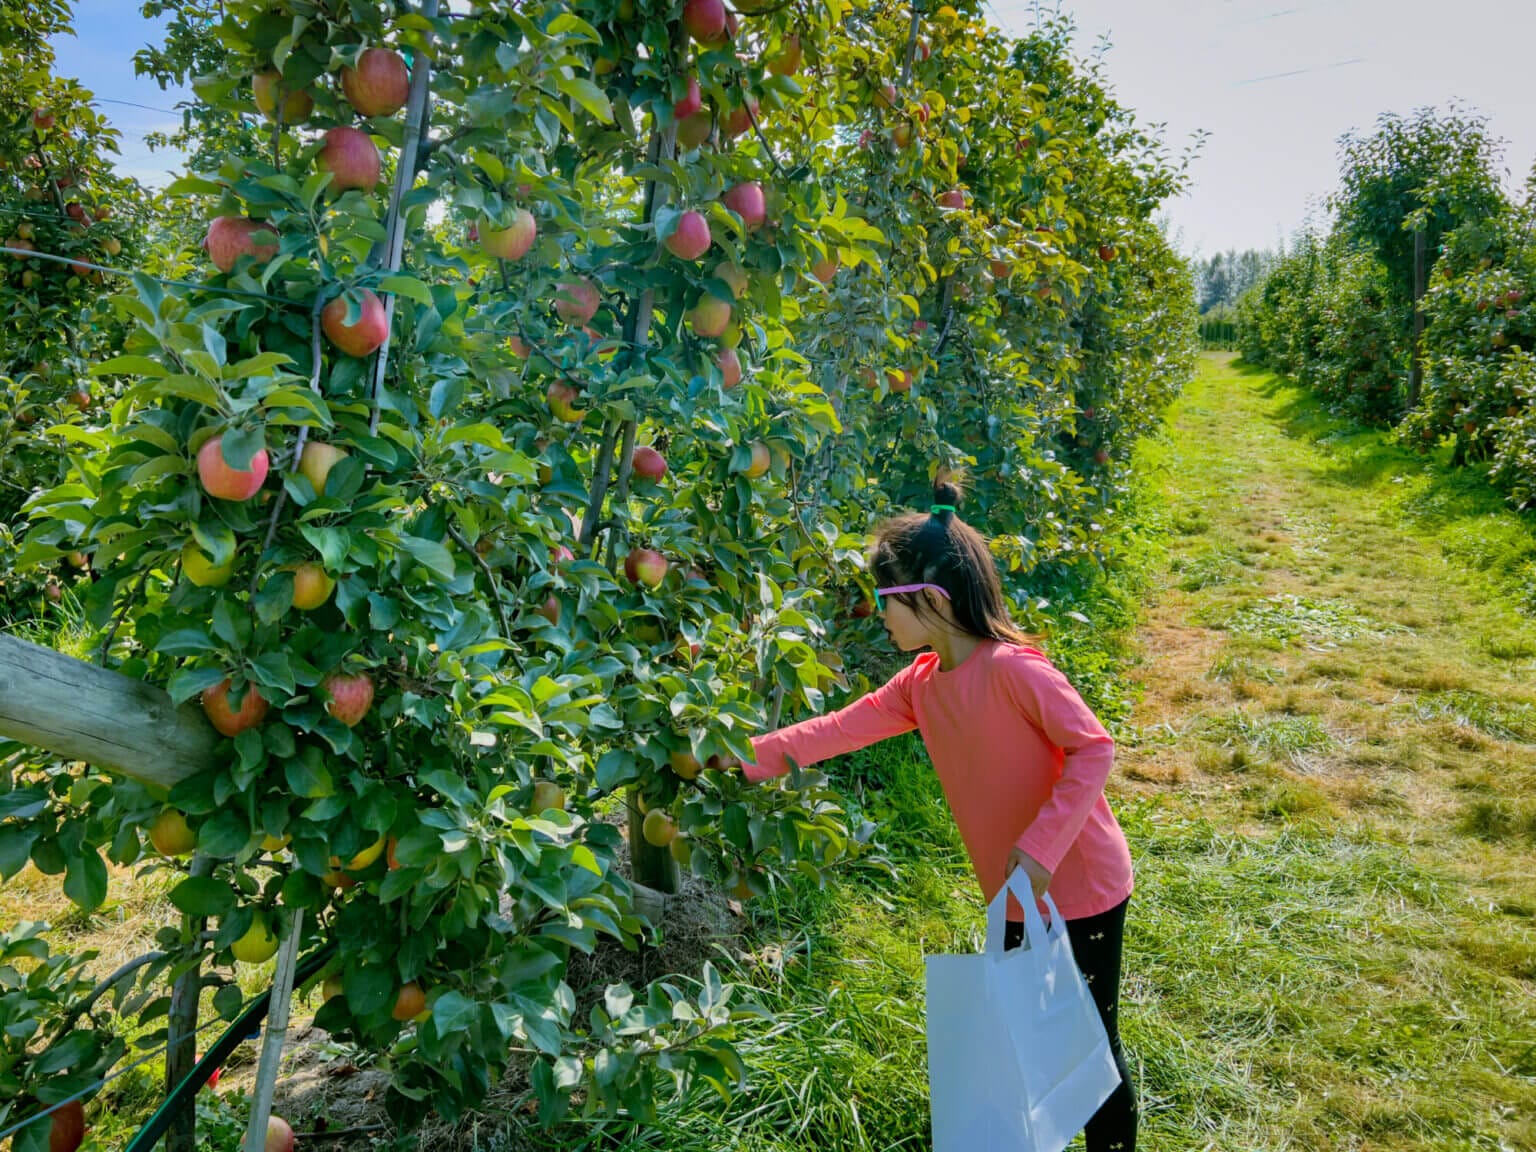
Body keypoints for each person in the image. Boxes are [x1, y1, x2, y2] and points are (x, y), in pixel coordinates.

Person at [739, 478, 1139, 1152]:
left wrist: (1042, 847)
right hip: (1013, 898)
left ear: (930, 598)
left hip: (1082, 886)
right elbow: (833, 731)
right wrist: (731, 756)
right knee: (1024, 1036)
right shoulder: (921, 685)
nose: (879, 616)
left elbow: (1094, 748)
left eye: (884, 601)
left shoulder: (1016, 671)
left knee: (1088, 1047)